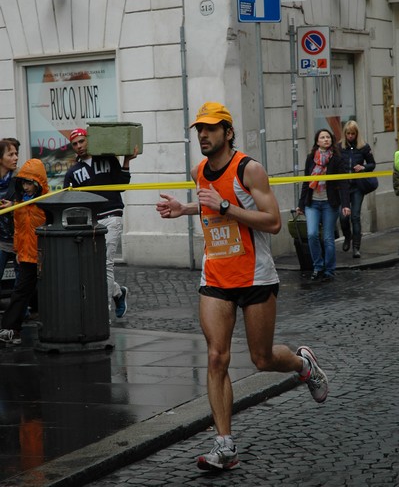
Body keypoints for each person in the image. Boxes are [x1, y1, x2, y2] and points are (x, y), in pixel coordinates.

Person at [156, 101, 329, 471]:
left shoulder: (250, 170)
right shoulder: (197, 171)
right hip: (216, 276)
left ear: (228, 132)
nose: (203, 134)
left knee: (262, 358)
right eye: (199, 129)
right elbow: (208, 204)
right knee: (217, 357)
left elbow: (272, 222)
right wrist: (184, 209)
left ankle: (303, 364)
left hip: (255, 276)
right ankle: (225, 445)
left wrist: (225, 208)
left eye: (211, 128)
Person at [63, 128, 138, 319]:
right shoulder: (72, 172)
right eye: (75, 143)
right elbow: (68, 201)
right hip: (90, 221)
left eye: (82, 141)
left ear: (89, 141)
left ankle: (102, 314)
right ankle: (118, 292)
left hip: (112, 215)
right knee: (93, 266)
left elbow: (121, 184)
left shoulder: (108, 158)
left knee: (105, 264)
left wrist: (127, 161)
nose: (79, 146)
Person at [0, 158, 49, 346]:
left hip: (45, 256)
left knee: (45, 292)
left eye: (30, 183)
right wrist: (18, 252)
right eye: (24, 183)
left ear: (38, 183)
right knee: (20, 291)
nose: (27, 187)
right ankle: (11, 329)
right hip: (27, 256)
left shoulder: (46, 203)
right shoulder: (19, 204)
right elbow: (18, 231)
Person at [296, 128, 351, 282]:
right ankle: (318, 266)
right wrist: (301, 204)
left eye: (328, 137)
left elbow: (343, 182)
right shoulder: (310, 158)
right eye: (322, 137)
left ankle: (329, 270)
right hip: (312, 203)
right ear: (317, 141)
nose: (326, 139)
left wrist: (345, 204)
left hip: (329, 203)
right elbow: (306, 182)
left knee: (327, 238)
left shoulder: (337, 159)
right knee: (312, 234)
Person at [338, 120, 376, 258]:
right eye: (348, 133)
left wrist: (363, 167)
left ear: (356, 134)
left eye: (352, 134)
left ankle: (356, 247)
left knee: (355, 216)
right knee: (343, 216)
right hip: (344, 188)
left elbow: (372, 164)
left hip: (357, 187)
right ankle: (347, 237)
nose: (350, 136)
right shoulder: (340, 147)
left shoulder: (364, 147)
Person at [0, 139, 20, 289]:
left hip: (19, 240)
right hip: (0, 241)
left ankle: (22, 312)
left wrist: (13, 206)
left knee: (21, 284)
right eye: (11, 154)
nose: (16, 158)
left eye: (16, 154)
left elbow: (32, 203)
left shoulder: (21, 178)